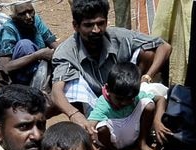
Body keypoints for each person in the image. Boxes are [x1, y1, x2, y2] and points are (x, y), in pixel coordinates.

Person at [51, 0, 172, 134]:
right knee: (67, 90)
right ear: (75, 26)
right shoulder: (66, 51)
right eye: (88, 25)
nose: (96, 30)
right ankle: (87, 126)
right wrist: (74, 114)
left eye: (101, 23)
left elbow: (164, 47)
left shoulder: (119, 36)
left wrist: (146, 77)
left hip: (122, 95)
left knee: (149, 53)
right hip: (90, 101)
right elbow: (56, 92)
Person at [87, 61, 170, 150]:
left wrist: (157, 121)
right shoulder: (103, 103)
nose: (124, 103)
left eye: (130, 99)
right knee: (101, 128)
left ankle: (142, 143)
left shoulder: (136, 96)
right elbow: (89, 126)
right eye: (119, 99)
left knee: (149, 104)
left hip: (132, 132)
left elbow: (161, 99)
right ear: (108, 89)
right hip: (114, 139)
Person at [0, 2, 59, 88]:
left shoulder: (36, 20)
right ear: (14, 16)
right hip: (19, 78)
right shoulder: (9, 29)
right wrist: (37, 55)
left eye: (30, 11)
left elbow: (55, 46)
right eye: (22, 14)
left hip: (41, 71)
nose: (28, 17)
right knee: (25, 45)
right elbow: (5, 67)